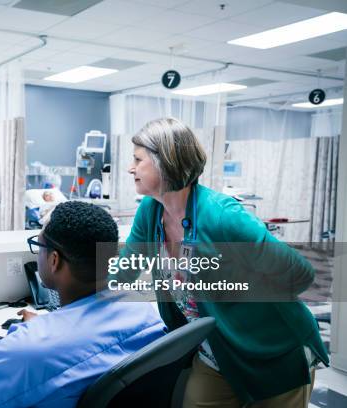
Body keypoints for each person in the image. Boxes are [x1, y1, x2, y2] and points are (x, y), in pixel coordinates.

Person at [123, 117, 328, 407]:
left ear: (164, 161)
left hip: (273, 350)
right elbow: (123, 270)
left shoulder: (223, 217)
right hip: (216, 352)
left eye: (137, 159)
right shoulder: (150, 211)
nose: (130, 168)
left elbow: (300, 274)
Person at [0, 201, 166, 408]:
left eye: (38, 246)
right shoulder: (144, 312)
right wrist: (45, 328)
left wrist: (25, 340)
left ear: (54, 260)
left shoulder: (29, 349)